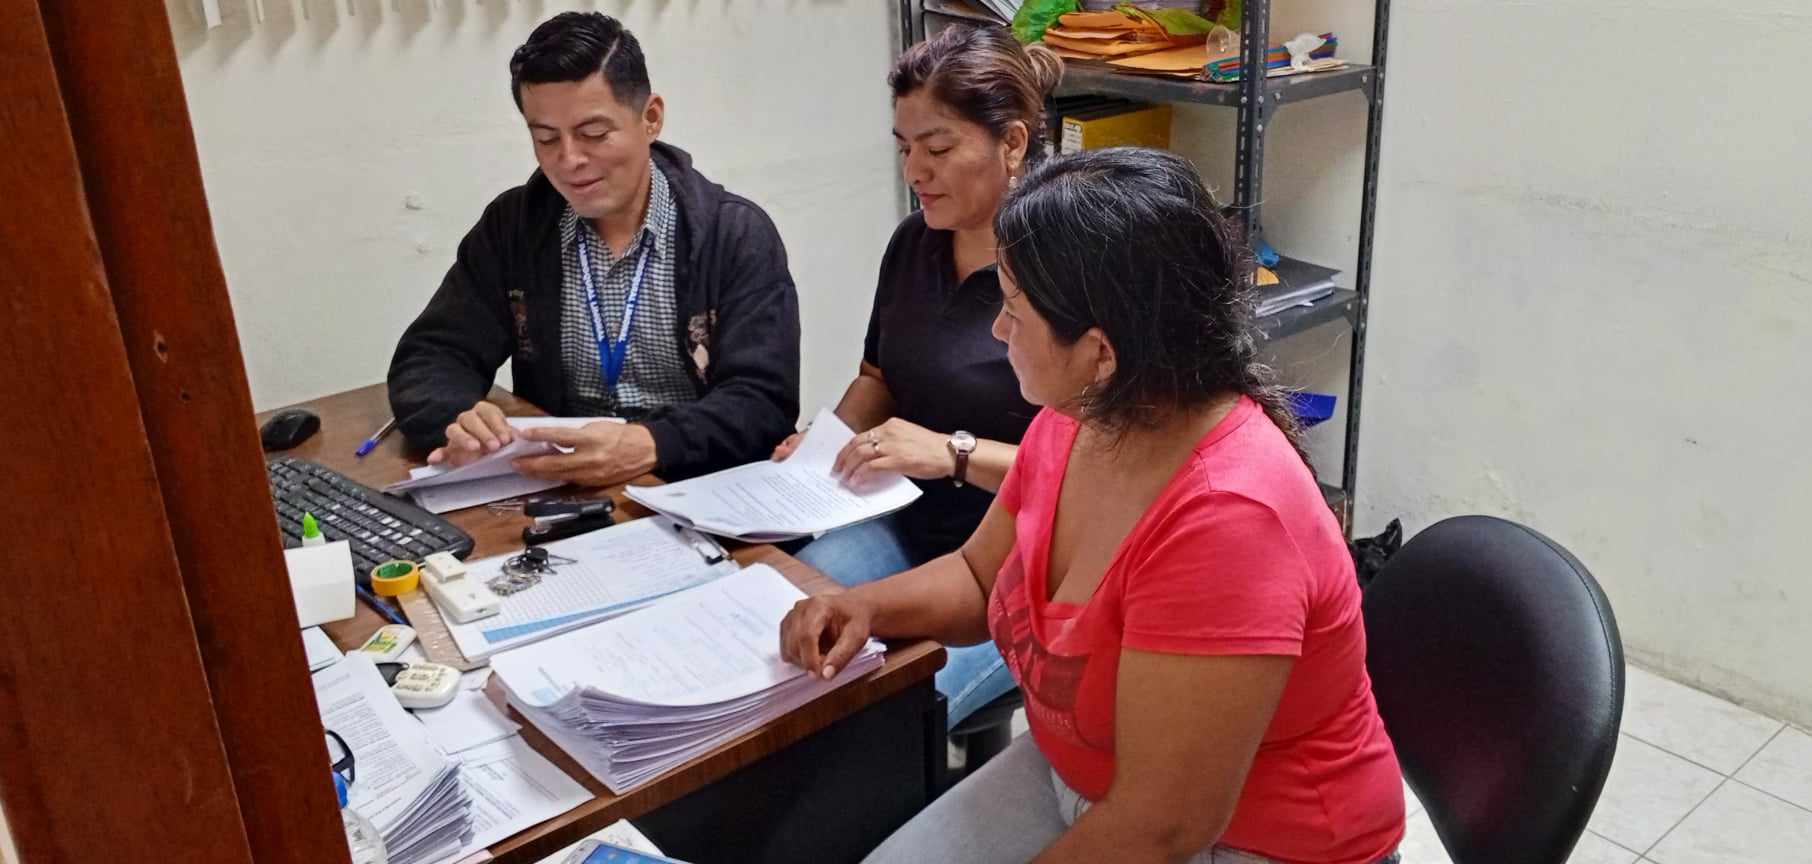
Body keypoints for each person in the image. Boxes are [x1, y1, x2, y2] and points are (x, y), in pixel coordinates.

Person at [779, 148, 1406, 864]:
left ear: (1101, 353)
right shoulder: (1078, 419)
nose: (998, 331)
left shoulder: (1229, 521)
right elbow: (982, 578)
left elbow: (1163, 824)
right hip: (1084, 775)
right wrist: (864, 607)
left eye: (1013, 311)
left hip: (1255, 840)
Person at [772, 26, 1058, 727]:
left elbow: (1095, 473)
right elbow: (879, 376)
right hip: (901, 520)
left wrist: (952, 453)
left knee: (885, 713)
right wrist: (827, 444)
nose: (915, 172)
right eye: (904, 149)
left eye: (938, 149)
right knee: (789, 638)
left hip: (1024, 563)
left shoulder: (1064, 269)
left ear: (1012, 143)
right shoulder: (914, 242)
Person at [387, 12, 798, 485]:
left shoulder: (733, 235)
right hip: (561, 489)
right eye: (546, 138)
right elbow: (431, 355)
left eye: (594, 134)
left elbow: (762, 403)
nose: (569, 160)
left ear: (651, 118)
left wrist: (651, 444)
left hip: (696, 490)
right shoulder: (515, 227)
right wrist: (458, 418)